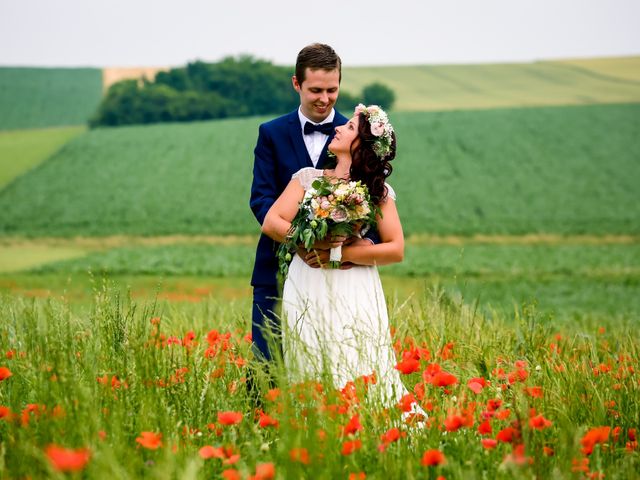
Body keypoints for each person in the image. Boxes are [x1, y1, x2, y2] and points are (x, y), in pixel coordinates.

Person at [261, 104, 416, 408]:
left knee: (356, 355)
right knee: (308, 353)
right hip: (307, 278)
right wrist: (306, 243)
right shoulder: (307, 178)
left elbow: (396, 248)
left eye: (348, 128)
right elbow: (271, 221)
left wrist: (343, 252)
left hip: (353, 283)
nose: (338, 128)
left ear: (361, 144)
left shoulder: (376, 191)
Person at [249, 44, 349, 364]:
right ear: (297, 84)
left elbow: (371, 207)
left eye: (332, 90)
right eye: (315, 90)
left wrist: (344, 243)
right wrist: (300, 239)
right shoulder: (271, 133)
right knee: (268, 366)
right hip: (275, 269)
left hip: (335, 277)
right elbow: (261, 199)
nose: (324, 98)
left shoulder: (354, 135)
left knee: (329, 365)